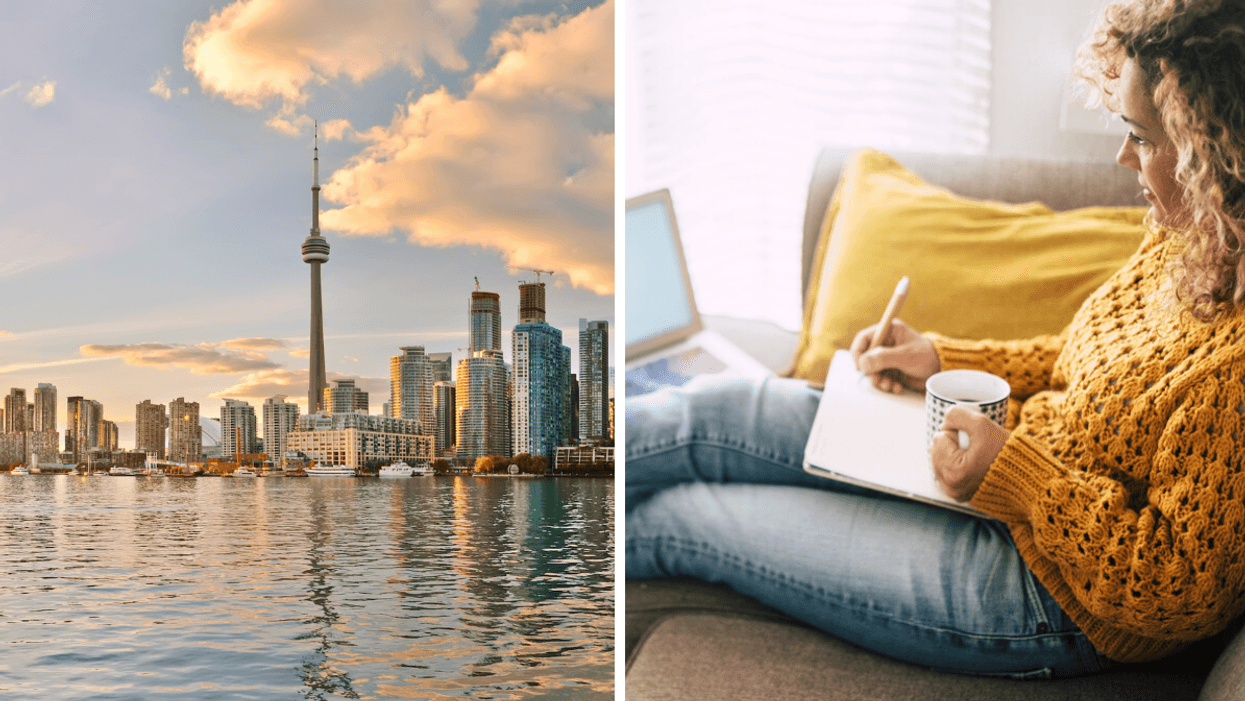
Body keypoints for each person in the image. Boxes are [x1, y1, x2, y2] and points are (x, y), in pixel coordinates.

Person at [626, 0, 1245, 678]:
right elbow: (1085, 360)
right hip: (1009, 467)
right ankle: (517, 473)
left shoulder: (1233, 371)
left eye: (1145, 138)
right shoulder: (1189, 234)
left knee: (680, 517)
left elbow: (1176, 587)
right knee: (720, 408)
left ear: (1215, 154)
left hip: (1044, 594)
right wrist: (944, 360)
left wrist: (1020, 478)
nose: (1122, 157)